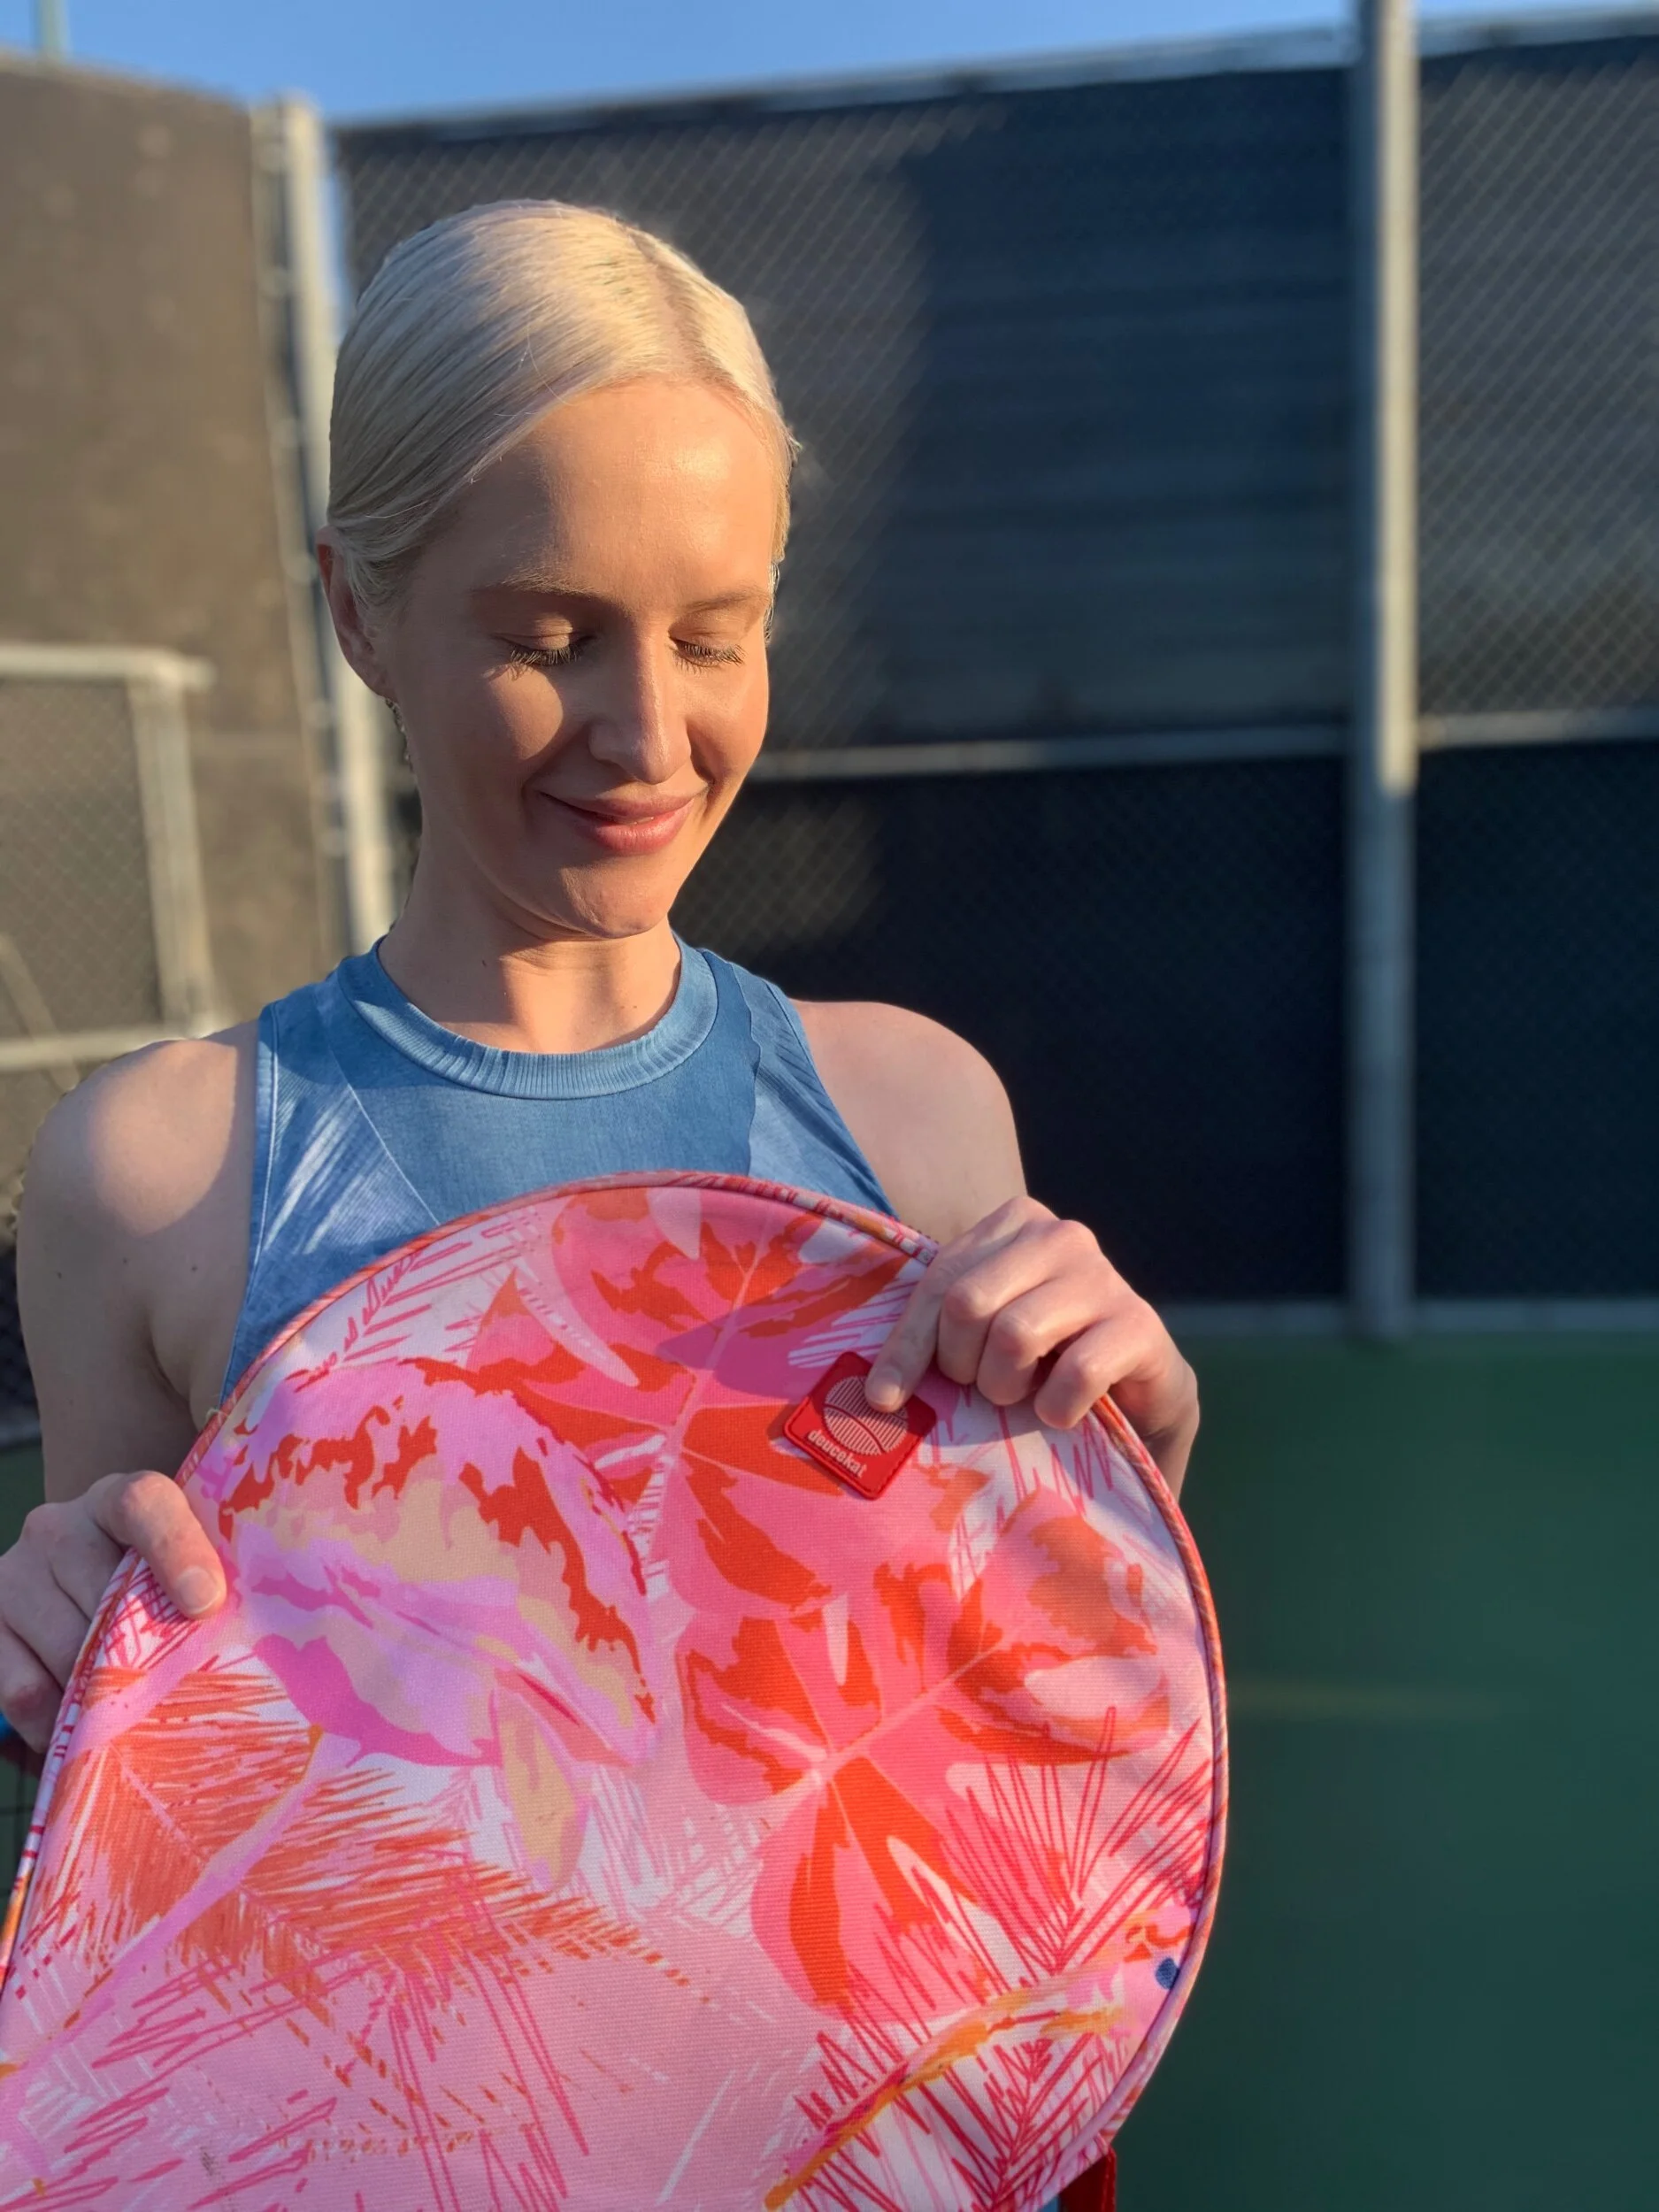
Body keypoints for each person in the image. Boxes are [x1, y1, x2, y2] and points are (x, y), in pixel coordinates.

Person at [0, 199, 1197, 1758]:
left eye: (715, 638)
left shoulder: (916, 1113)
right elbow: (147, 1802)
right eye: (552, 638)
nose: (644, 739)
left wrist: (1130, 1481)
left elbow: (993, 1742)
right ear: (359, 609)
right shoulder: (152, 1171)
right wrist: (49, 1661)